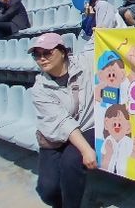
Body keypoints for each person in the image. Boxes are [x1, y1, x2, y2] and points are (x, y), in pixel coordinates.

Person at [30, 32, 96, 208]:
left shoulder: (84, 63)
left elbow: (99, 36)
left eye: (47, 52)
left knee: (71, 162)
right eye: (36, 54)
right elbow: (62, 122)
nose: (42, 58)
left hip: (86, 127)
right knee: (47, 190)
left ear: (63, 52)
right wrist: (86, 149)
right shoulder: (39, 89)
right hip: (54, 138)